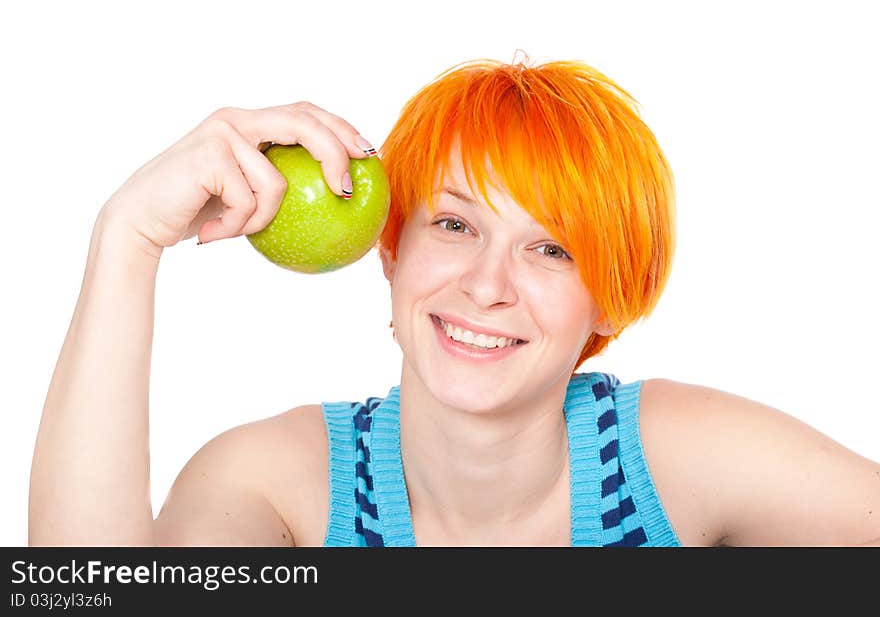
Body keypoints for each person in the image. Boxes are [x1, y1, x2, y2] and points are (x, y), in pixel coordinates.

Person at [29, 56, 880, 547]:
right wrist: (127, 238)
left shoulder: (679, 458)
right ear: (390, 250)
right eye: (453, 224)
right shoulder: (278, 484)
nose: (487, 284)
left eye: (551, 247)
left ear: (611, 301)